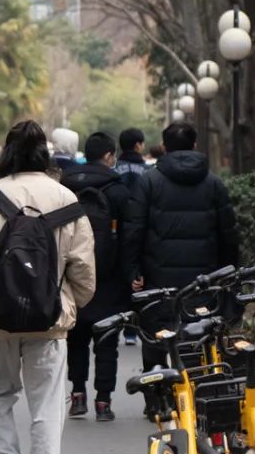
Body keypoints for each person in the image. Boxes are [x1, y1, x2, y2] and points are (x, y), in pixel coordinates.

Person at [0, 120, 95, 454]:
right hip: (49, 318)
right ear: (45, 156)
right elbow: (84, 272)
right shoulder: (65, 198)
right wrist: (68, 305)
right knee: (46, 402)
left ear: (6, 154)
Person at [123, 120, 239, 397]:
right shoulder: (213, 184)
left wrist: (132, 270)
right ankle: (195, 392)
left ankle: (156, 398)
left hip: (157, 277)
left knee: (155, 333)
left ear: (164, 147)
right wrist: (229, 274)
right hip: (204, 279)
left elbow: (133, 230)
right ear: (195, 145)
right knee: (197, 333)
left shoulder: (149, 182)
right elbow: (228, 234)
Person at [60, 131, 130, 421]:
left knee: (76, 340)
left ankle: (77, 395)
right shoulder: (119, 191)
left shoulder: (66, 188)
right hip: (110, 278)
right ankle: (103, 401)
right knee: (107, 343)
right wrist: (131, 274)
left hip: (74, 275)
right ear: (110, 156)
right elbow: (130, 236)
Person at [114, 129, 147, 342]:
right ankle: (135, 328)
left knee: (121, 276)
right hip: (142, 227)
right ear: (137, 145)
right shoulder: (148, 170)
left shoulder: (114, 169)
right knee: (139, 276)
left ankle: (122, 324)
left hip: (118, 228)